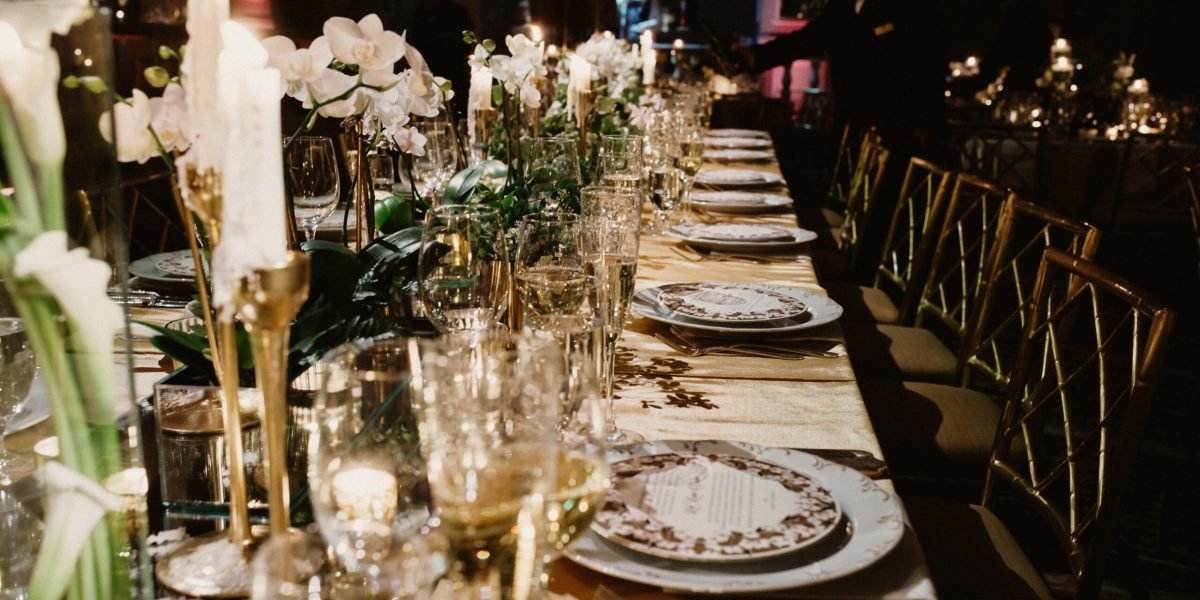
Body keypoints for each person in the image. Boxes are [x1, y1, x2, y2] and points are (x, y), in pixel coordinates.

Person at [737, 0, 949, 281]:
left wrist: (927, 121)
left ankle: (886, 282)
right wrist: (754, 57)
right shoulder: (844, 7)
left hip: (901, 132)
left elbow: (931, 56)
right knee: (855, 212)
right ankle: (854, 270)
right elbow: (808, 39)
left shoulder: (913, 7)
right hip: (852, 131)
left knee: (896, 218)